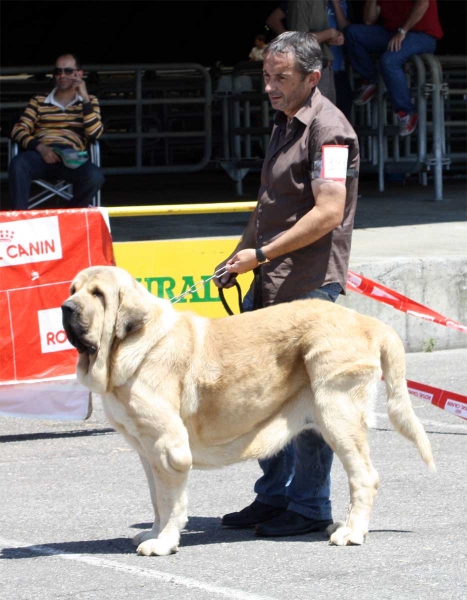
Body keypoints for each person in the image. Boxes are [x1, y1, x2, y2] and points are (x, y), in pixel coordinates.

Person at [213, 31, 359, 537]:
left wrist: (263, 254)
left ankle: (311, 506)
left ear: (311, 78)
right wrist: (240, 256)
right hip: (269, 282)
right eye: (266, 77)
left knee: (312, 405)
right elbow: (267, 207)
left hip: (310, 286)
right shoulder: (283, 123)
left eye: (281, 78)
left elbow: (329, 212)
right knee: (263, 396)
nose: (270, 87)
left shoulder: (330, 131)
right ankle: (274, 497)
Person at [9, 53, 104, 210]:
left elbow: (95, 134)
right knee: (18, 164)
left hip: (72, 157)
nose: (62, 75)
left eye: (68, 71)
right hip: (41, 154)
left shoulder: (90, 101)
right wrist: (41, 147)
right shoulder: (39, 100)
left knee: (95, 177)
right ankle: (20, 220)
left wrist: (85, 99)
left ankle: (70, 215)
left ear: (79, 73)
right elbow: (18, 129)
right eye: (58, 71)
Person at [343, 0, 443, 136]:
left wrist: (402, 31)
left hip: (422, 35)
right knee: (351, 33)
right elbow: (369, 20)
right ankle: (371, 80)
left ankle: (406, 113)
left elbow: (423, 3)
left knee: (389, 61)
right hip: (393, 33)